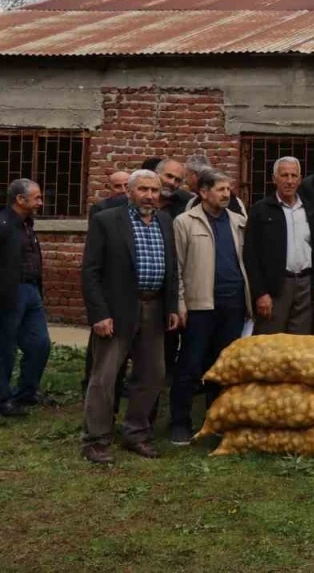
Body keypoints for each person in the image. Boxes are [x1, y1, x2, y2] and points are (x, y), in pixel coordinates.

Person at [80, 170, 180, 464]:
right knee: (105, 376)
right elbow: (90, 272)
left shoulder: (165, 221)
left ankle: (136, 433)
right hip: (117, 310)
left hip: (154, 307)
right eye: (143, 190)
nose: (149, 196)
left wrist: (172, 306)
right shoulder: (107, 221)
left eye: (154, 190)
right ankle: (96, 439)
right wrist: (99, 314)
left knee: (152, 374)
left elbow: (172, 268)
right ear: (130, 192)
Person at [168, 170, 252, 445]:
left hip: (233, 303)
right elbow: (177, 267)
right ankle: (180, 423)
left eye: (228, 189)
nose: (226, 194)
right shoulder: (185, 222)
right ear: (203, 192)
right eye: (220, 189)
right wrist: (181, 303)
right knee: (191, 364)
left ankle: (216, 420)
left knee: (223, 365)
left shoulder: (238, 221)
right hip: (200, 304)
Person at [243, 157, 314, 336]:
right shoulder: (261, 210)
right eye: (284, 175)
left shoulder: (311, 209)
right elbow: (251, 255)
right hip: (276, 287)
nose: (289, 181)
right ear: (274, 178)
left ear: (300, 179)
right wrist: (260, 293)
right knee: (270, 341)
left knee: (299, 342)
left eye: (293, 175)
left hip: (305, 284)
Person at [0, 180, 51, 416]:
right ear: (20, 199)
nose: (40, 202)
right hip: (9, 293)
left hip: (31, 291)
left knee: (40, 344)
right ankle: (3, 399)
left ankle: (26, 392)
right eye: (37, 197)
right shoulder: (3, 224)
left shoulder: (27, 224)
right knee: (5, 348)